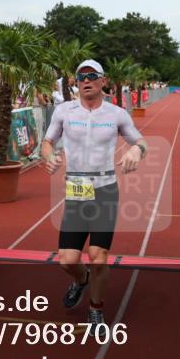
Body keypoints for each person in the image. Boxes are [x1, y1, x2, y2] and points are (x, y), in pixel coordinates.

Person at [40, 59, 147, 326]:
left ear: (103, 80)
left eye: (91, 76)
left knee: (98, 256)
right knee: (67, 260)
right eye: (81, 77)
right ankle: (81, 279)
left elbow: (140, 141)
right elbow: (47, 142)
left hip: (105, 190)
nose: (85, 81)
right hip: (77, 190)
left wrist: (136, 150)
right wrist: (48, 156)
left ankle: (95, 307)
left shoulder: (116, 114)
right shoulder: (64, 111)